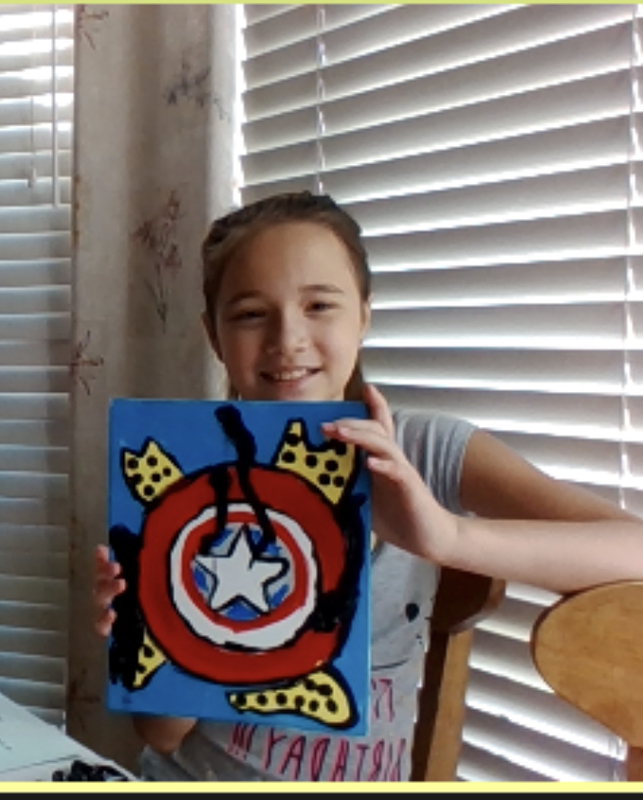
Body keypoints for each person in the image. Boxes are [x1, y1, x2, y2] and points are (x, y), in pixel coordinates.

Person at [93, 191, 643, 782]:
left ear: (365, 316)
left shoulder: (423, 451)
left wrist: (447, 535)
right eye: (251, 313)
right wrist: (155, 622)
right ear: (214, 333)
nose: (288, 339)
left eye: (320, 305)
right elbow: (160, 732)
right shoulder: (183, 466)